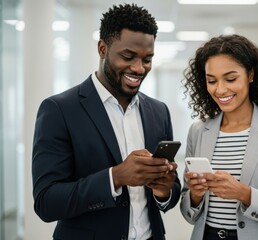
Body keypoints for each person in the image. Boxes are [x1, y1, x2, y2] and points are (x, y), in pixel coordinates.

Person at [32, 3, 181, 240]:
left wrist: (164, 192)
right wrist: (116, 177)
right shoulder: (58, 110)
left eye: (147, 59)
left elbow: (171, 192)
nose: (139, 68)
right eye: (128, 56)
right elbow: (46, 202)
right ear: (103, 48)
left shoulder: (158, 111)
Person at [180, 34, 258, 240]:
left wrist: (244, 194)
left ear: (250, 75)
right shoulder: (198, 130)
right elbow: (189, 213)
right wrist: (195, 196)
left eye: (230, 79)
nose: (220, 89)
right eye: (211, 81)